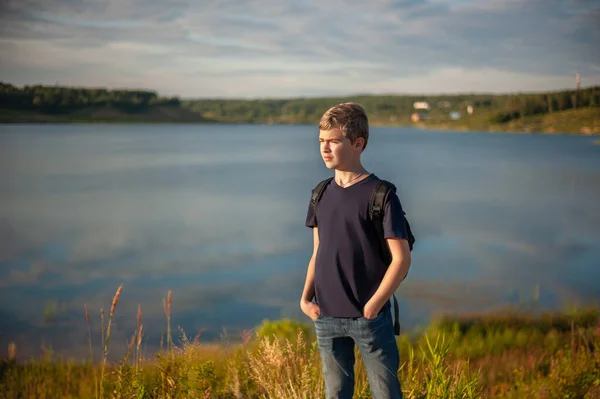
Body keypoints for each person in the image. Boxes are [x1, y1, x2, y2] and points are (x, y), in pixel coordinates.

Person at [300, 102, 412, 399]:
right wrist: (304, 299)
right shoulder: (320, 193)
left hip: (369, 317)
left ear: (358, 143)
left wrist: (374, 305)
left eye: (334, 141)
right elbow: (318, 253)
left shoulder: (381, 194)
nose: (324, 149)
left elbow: (401, 260)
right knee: (336, 393)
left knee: (385, 393)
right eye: (321, 141)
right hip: (325, 315)